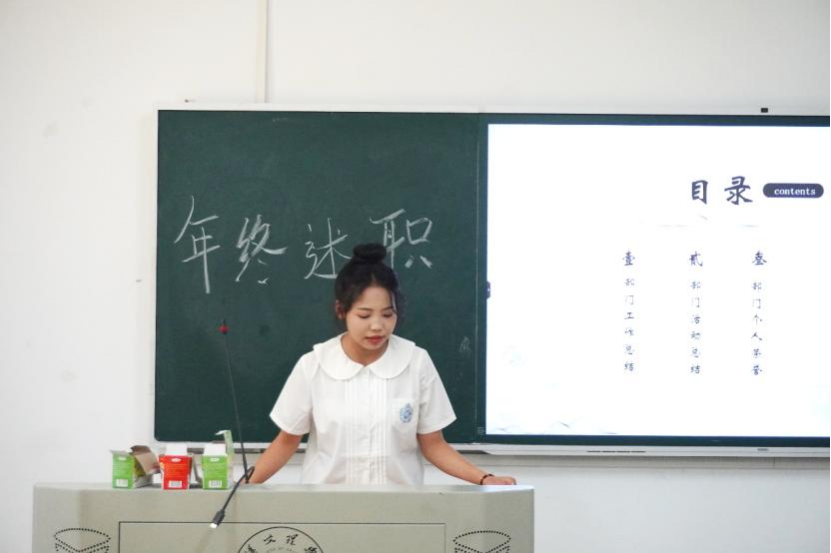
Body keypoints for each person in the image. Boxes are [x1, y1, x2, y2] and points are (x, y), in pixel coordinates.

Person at [249, 243, 516, 486]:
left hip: (399, 508)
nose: (377, 326)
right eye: (364, 315)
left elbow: (434, 444)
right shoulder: (314, 365)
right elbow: (286, 441)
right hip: (327, 508)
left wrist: (484, 478)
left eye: (387, 315)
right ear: (341, 311)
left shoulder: (416, 362)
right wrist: (241, 486)